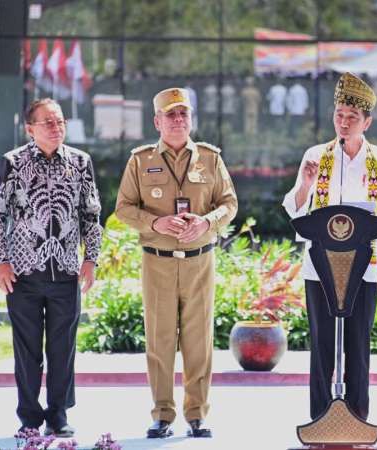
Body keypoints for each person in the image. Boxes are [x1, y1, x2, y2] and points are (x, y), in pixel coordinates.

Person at [115, 87, 237, 439]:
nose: (178, 119)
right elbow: (124, 207)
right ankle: (162, 414)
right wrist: (154, 223)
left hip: (200, 260)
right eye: (171, 114)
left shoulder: (211, 159)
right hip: (158, 262)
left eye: (184, 113)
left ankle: (198, 414)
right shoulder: (139, 160)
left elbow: (228, 203)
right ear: (157, 121)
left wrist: (207, 222)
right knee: (160, 339)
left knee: (200, 339)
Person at [282, 72, 377, 421]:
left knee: (357, 346)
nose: (344, 123)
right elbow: (295, 208)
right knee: (321, 346)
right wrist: (305, 184)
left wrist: (363, 235)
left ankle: (357, 418)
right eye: (339, 116)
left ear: (367, 121)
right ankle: (321, 418)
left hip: (364, 267)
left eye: (352, 118)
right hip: (319, 268)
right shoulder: (316, 156)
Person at [0, 98, 103, 437]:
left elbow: (91, 216)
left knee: (63, 349)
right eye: (48, 122)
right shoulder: (13, 162)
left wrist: (91, 259)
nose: (56, 127)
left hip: (66, 272)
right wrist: (1, 261)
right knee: (27, 351)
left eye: (60, 121)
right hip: (23, 274)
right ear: (30, 128)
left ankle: (58, 415)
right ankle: (29, 418)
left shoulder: (80, 163)